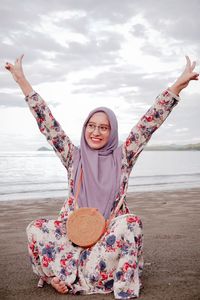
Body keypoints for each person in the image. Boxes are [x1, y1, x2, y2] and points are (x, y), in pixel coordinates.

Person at [5, 55, 199, 299]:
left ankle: (115, 287)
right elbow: (48, 123)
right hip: (75, 237)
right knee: (35, 228)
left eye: (103, 127)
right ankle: (56, 277)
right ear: (85, 127)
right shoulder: (73, 157)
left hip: (106, 242)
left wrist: (178, 85)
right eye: (91, 126)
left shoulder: (123, 156)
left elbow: (149, 122)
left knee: (131, 223)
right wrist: (22, 80)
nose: (96, 132)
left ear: (111, 131)